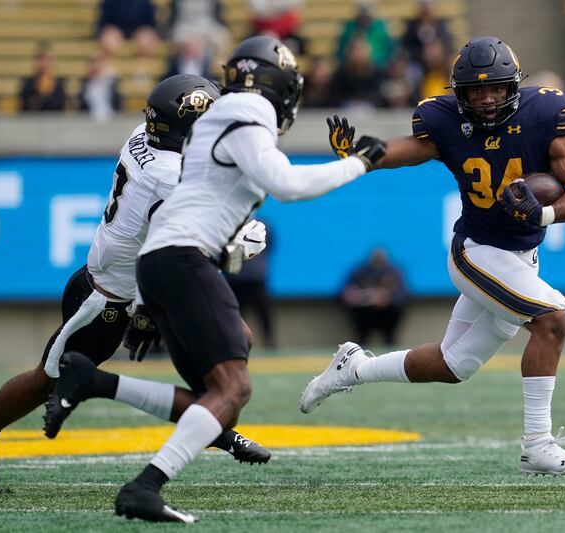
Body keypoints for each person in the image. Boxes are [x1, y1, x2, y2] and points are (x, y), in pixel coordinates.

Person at [47, 35, 386, 523]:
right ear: (275, 85)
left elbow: (229, 182)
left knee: (216, 395)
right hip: (181, 260)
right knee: (234, 389)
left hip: (165, 260)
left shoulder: (218, 121)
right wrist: (358, 163)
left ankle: (94, 381)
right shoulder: (248, 113)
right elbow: (287, 185)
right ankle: (145, 486)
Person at [0, 74, 270, 494]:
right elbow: (183, 247)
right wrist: (239, 245)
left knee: (233, 341)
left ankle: (216, 423)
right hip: (109, 301)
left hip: (137, 287)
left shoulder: (145, 137)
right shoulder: (169, 178)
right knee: (46, 379)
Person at [303, 37, 565, 476]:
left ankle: (354, 367)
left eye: (495, 89)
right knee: (554, 317)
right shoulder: (444, 121)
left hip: (521, 257)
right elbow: (407, 150)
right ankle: (537, 444)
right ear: (459, 93)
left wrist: (546, 213)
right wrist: (362, 155)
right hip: (477, 253)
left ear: (512, 88)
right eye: (475, 91)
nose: (485, 99)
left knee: (452, 364)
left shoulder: (543, 116)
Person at [341, 248, 409, 346]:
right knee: (360, 320)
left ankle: (390, 345)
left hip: (388, 313)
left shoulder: (394, 272)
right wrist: (352, 295)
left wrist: (386, 298)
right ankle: (360, 347)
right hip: (364, 313)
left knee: (395, 313)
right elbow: (345, 292)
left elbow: (403, 293)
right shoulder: (360, 271)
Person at [19, 43, 67, 112]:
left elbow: (59, 107)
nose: (43, 63)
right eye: (40, 59)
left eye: (47, 59)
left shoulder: (60, 85)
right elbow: (26, 108)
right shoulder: (27, 85)